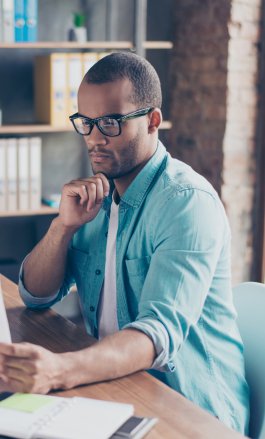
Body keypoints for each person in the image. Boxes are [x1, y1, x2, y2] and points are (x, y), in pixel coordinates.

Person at [0, 52, 249, 434]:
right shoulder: (96, 196)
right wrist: (62, 228)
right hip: (117, 387)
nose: (95, 138)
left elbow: (157, 334)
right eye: (87, 122)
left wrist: (58, 370)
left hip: (193, 411)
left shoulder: (187, 203)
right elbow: (35, 295)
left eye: (111, 122)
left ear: (153, 121)